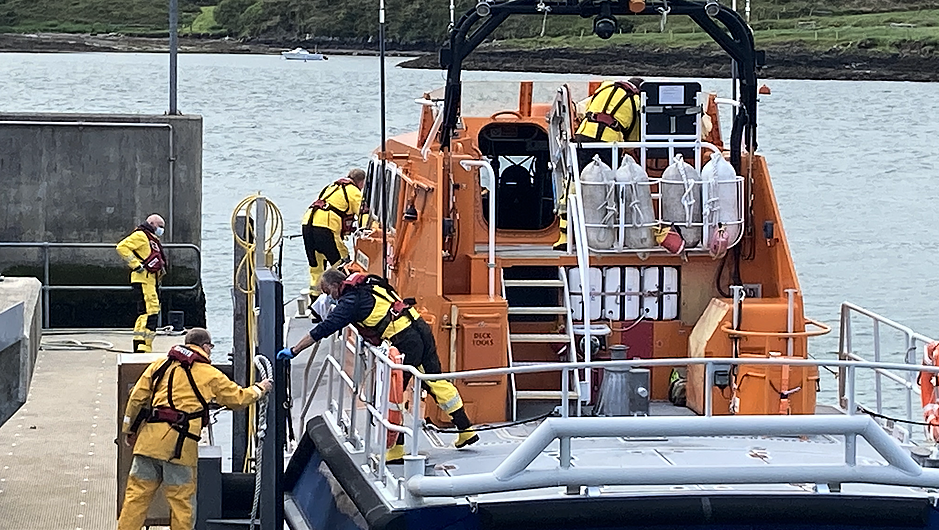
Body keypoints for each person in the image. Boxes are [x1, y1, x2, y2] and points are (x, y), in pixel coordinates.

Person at [278, 269, 478, 462]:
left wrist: (295, 350)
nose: (329, 298)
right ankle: (466, 429)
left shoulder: (350, 302)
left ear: (337, 286)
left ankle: (396, 449)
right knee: (434, 381)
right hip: (418, 327)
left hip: (405, 340)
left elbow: (323, 329)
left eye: (328, 292)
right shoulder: (368, 284)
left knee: (391, 394)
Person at [118, 328, 272, 530]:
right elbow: (238, 398)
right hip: (178, 449)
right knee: (182, 504)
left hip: (148, 443)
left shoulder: (160, 365)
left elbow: (136, 398)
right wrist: (260, 389)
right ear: (205, 347)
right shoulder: (209, 374)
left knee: (135, 498)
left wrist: (129, 430)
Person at [555, 78, 645, 250]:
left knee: (573, 185)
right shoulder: (636, 101)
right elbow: (632, 141)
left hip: (582, 138)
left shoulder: (606, 86)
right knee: (609, 188)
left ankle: (564, 237)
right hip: (607, 144)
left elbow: (587, 108)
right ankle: (609, 235)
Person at [302, 168, 366, 300]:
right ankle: (346, 299)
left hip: (307, 224)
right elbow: (363, 213)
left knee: (316, 266)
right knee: (342, 263)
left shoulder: (331, 187)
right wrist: (367, 231)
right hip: (326, 228)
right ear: (361, 183)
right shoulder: (353, 191)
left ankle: (315, 302)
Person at [116, 214, 167, 353]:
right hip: (144, 278)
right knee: (151, 311)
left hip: (150, 279)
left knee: (145, 312)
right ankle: (144, 346)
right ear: (151, 223)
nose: (161, 230)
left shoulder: (151, 238)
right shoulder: (141, 235)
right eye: (159, 226)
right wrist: (136, 265)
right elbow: (122, 247)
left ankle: (140, 344)